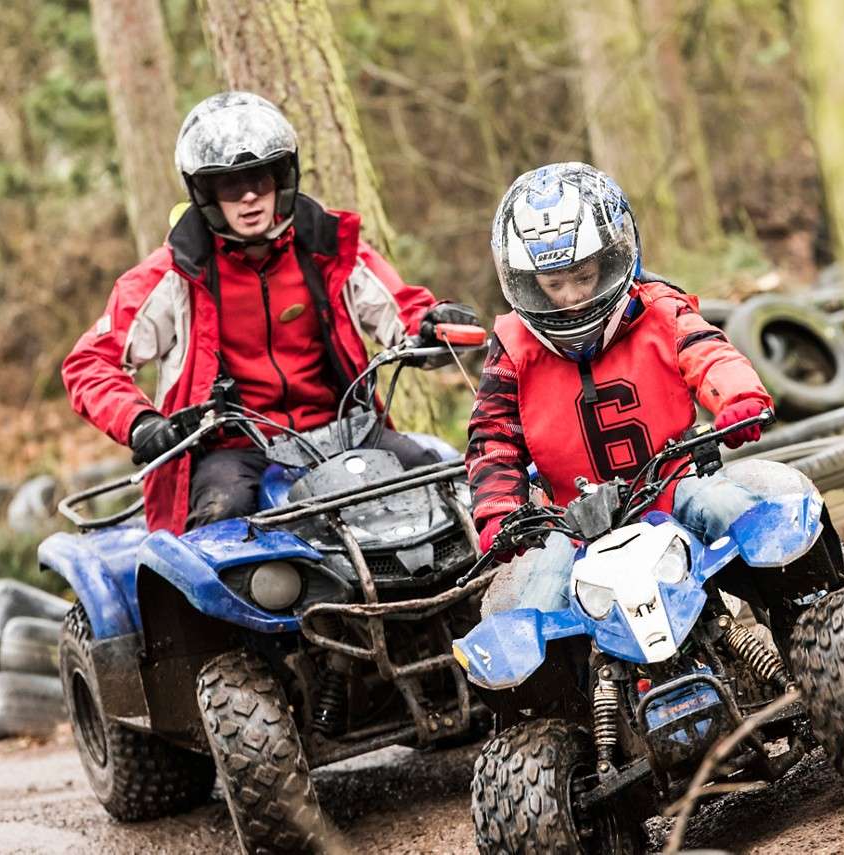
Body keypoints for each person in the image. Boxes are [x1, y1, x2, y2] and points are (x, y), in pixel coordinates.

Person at [63, 91, 479, 533]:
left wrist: (435, 324)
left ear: (283, 177)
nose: (248, 197)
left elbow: (403, 311)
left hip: (347, 430)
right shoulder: (173, 274)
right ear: (204, 192)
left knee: (437, 482)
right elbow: (89, 363)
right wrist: (140, 422)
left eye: (260, 179)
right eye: (229, 185)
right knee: (220, 521)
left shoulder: (328, 246)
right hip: (234, 447)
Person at [466, 162, 773, 613]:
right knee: (523, 618)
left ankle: (816, 620)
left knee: (758, 522)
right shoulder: (514, 346)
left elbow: (709, 353)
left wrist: (740, 398)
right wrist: (498, 512)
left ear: (611, 258)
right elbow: (493, 437)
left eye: (583, 277)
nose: (570, 297)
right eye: (553, 284)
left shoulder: (660, 311)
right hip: (571, 525)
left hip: (675, 487)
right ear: (528, 283)